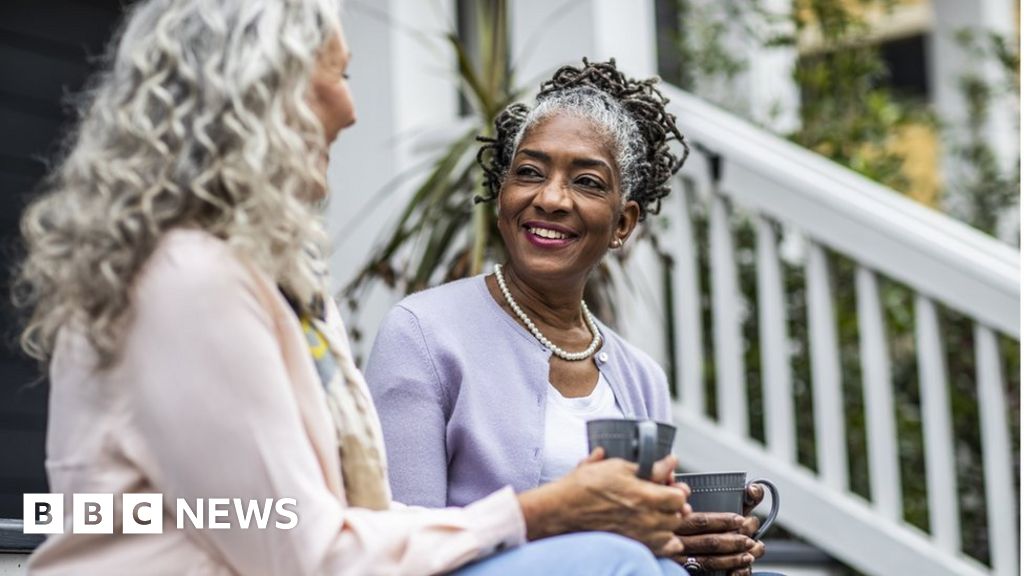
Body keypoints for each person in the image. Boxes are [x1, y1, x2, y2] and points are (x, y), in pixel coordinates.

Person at [13, 2, 692, 574]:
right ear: (262, 92)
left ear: (625, 222)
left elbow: (331, 521)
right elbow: (300, 551)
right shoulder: (188, 280)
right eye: (337, 76)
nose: (351, 109)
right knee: (617, 563)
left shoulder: (280, 283)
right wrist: (544, 513)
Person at [366, 60, 772, 576]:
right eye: (529, 173)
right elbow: (400, 539)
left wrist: (691, 549)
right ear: (502, 197)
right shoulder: (423, 333)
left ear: (623, 223)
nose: (551, 198)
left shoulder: (641, 378)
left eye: (586, 182)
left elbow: (641, 543)